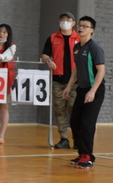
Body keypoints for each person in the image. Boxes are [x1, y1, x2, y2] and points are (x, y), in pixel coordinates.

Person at [62, 16, 106, 169]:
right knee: (75, 121)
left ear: (92, 30)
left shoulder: (94, 48)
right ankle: (82, 154)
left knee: (87, 124)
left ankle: (88, 157)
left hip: (95, 90)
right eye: (80, 25)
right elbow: (76, 69)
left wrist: (93, 91)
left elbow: (101, 71)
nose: (81, 28)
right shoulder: (77, 47)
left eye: (85, 26)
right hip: (81, 90)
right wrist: (69, 86)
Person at [40, 12, 80, 149]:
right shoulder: (52, 38)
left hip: (75, 81)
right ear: (58, 21)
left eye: (68, 19)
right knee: (60, 110)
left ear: (73, 23)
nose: (65, 22)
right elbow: (44, 55)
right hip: (58, 80)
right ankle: (64, 138)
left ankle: (77, 139)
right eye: (63, 19)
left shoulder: (79, 38)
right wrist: (48, 61)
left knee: (74, 111)